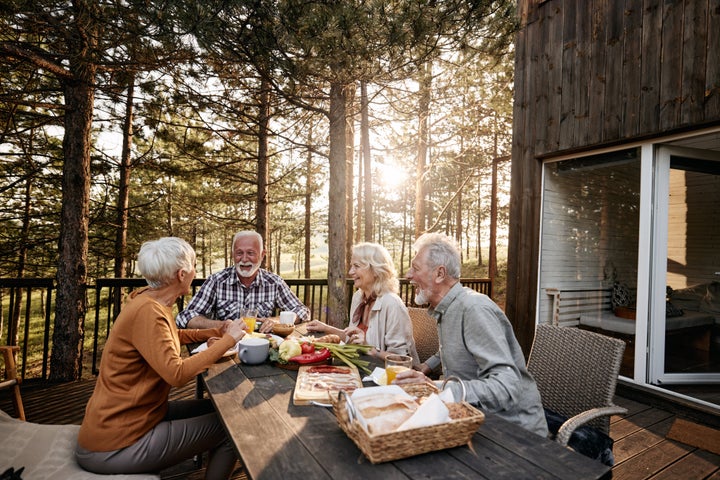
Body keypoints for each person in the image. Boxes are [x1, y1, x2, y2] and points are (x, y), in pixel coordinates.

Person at [76, 237, 244, 478]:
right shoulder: (148, 312)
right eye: (194, 266)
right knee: (232, 427)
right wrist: (229, 340)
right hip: (116, 444)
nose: (196, 272)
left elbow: (169, 335)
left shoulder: (148, 299)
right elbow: (176, 374)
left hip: (137, 417)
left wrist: (215, 331)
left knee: (220, 409)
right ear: (181, 274)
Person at [393, 232, 549, 437]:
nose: (409, 275)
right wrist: (427, 368)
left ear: (440, 274)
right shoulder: (448, 308)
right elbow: (455, 348)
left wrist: (441, 389)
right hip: (470, 419)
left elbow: (507, 386)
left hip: (514, 432)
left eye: (415, 268)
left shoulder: (473, 309)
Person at [176, 230, 310, 333]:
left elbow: (302, 311)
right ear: (233, 254)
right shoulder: (217, 281)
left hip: (263, 348)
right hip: (225, 350)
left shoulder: (274, 282)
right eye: (239, 253)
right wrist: (221, 325)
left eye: (250, 253)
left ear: (262, 255)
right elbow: (185, 316)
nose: (244, 259)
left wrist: (276, 320)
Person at [306, 242, 419, 364]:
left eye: (357, 266)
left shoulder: (392, 304)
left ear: (376, 270)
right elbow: (352, 339)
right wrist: (325, 328)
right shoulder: (359, 297)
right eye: (351, 266)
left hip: (386, 378)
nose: (350, 272)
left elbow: (403, 360)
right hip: (359, 370)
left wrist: (370, 349)